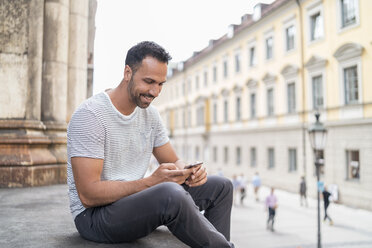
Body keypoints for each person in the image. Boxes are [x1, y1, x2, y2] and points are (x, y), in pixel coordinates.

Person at [67, 41, 234, 248]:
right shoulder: (91, 115)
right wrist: (151, 182)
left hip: (134, 200)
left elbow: (173, 160)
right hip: (94, 217)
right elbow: (88, 195)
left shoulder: (151, 115)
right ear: (128, 72)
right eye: (149, 81)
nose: (155, 92)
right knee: (170, 194)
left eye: (161, 84)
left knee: (221, 186)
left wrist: (190, 172)